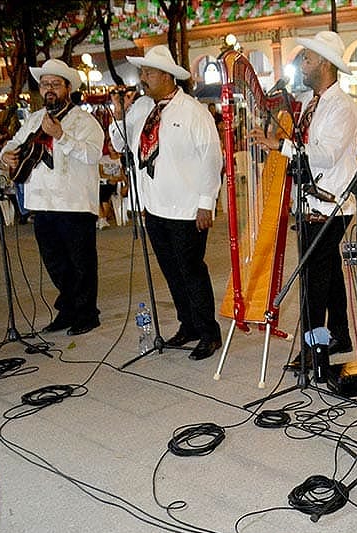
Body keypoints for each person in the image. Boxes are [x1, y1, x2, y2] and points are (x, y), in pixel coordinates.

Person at [252, 31, 357, 367]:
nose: (303, 63)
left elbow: (325, 156)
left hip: (330, 206)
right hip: (313, 203)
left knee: (313, 282)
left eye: (308, 58)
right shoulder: (312, 104)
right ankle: (339, 333)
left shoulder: (341, 106)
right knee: (326, 274)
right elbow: (306, 149)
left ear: (326, 64)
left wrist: (279, 146)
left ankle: (315, 349)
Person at [109, 45, 223, 361]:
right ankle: (187, 325)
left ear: (166, 75)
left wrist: (205, 203)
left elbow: (212, 159)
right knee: (171, 271)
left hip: (187, 208)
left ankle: (208, 332)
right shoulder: (142, 107)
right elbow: (119, 142)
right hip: (154, 206)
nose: (142, 78)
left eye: (147, 73)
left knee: (191, 271)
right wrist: (120, 112)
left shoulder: (193, 111)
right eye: (142, 72)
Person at [1, 59, 104, 336]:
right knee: (55, 263)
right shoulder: (35, 119)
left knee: (81, 263)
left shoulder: (85, 121)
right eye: (45, 84)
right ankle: (67, 310)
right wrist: (5, 155)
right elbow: (13, 143)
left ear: (67, 88)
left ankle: (87, 313)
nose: (49, 89)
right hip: (42, 203)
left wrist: (61, 136)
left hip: (74, 204)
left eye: (55, 84)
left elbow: (93, 154)